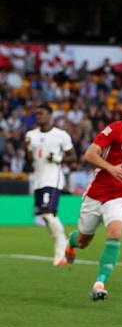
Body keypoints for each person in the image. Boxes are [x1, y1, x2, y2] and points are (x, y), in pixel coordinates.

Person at [65, 94, 122, 301]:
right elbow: (89, 155)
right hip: (97, 192)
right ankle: (70, 243)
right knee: (83, 240)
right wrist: (111, 168)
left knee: (115, 232)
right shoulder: (115, 129)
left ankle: (100, 283)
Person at [24, 104, 77, 266]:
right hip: (39, 180)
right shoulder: (31, 135)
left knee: (47, 214)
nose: (38, 116)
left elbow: (73, 157)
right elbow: (28, 162)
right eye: (37, 114)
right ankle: (65, 248)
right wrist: (27, 149)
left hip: (53, 179)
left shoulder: (60, 135)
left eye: (41, 114)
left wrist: (57, 159)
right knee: (47, 217)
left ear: (50, 115)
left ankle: (61, 252)